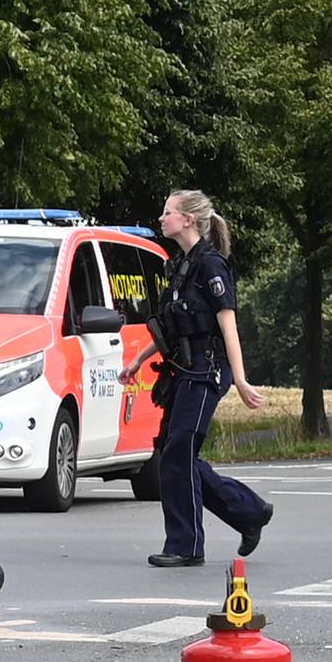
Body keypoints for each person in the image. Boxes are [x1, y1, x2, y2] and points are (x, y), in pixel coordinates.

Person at [120, 190, 272, 568]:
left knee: (178, 452)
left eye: (168, 212)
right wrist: (137, 361)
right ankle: (249, 511)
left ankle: (186, 546)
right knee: (175, 453)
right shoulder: (180, 267)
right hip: (182, 370)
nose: (161, 218)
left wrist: (239, 378)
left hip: (207, 371)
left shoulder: (211, 266)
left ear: (188, 220)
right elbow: (173, 329)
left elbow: (228, 324)